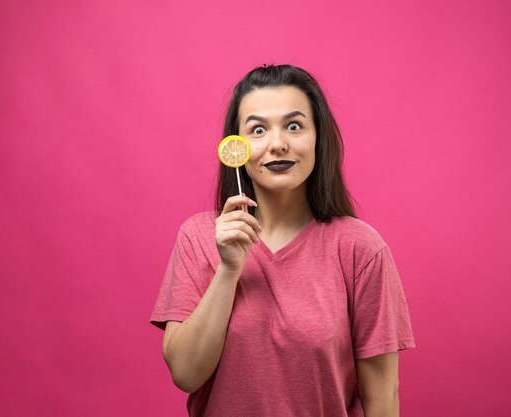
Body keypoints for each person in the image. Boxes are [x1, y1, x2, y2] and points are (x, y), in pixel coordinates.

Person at [149, 64, 416, 417]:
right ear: (237, 147)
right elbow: (185, 373)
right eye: (258, 130)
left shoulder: (360, 249)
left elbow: (382, 399)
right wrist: (228, 271)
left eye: (294, 126)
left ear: (318, 137)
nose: (277, 144)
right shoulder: (199, 237)